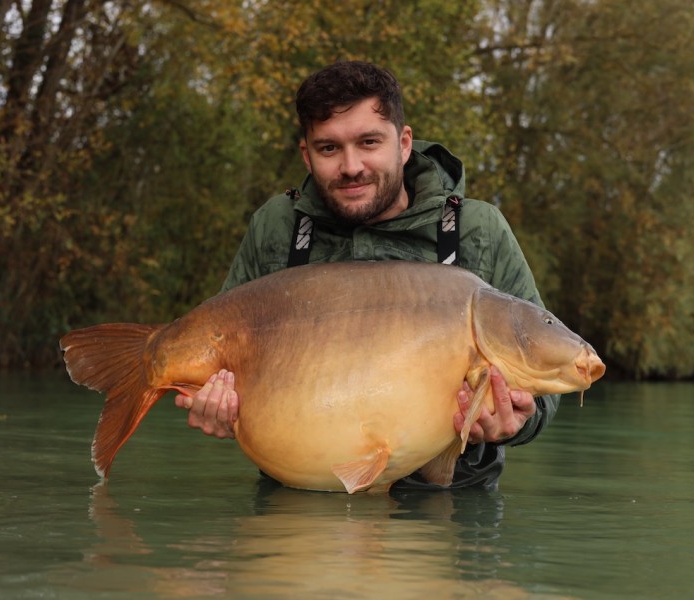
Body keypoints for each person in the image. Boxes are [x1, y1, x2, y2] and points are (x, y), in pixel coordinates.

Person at [175, 60, 559, 490]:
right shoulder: (277, 226)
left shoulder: (477, 230)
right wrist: (218, 406)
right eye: (329, 149)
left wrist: (518, 419)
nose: (351, 165)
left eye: (369, 142)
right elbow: (219, 350)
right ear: (307, 153)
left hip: (451, 512)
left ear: (404, 142)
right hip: (299, 506)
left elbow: (545, 379)